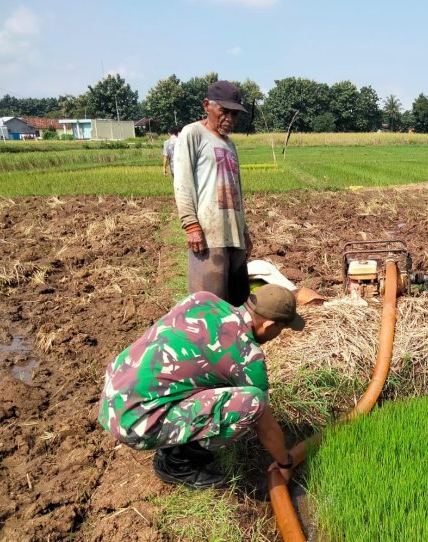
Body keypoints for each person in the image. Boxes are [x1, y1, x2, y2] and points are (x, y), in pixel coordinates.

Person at [97, 284, 305, 489]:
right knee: (252, 403)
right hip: (133, 426)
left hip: (113, 396)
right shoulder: (248, 357)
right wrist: (284, 463)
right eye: (283, 328)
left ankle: (172, 435)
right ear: (270, 326)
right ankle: (178, 463)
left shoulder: (204, 299)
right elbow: (266, 426)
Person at [173, 80, 252, 306]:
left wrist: (244, 231)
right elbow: (183, 182)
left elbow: (237, 189)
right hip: (209, 237)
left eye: (235, 114)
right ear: (207, 105)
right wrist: (191, 225)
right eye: (224, 112)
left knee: (237, 305)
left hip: (234, 236)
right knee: (209, 307)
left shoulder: (230, 145)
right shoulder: (193, 134)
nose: (230, 119)